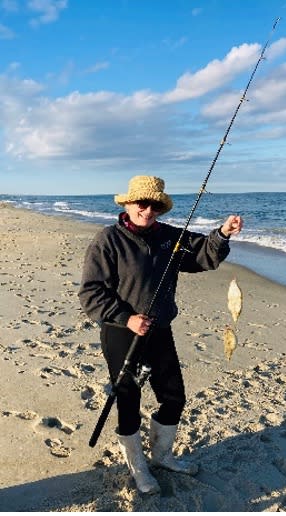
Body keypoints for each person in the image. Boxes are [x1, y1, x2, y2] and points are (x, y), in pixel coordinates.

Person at [78, 175, 243, 494]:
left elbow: (202, 256)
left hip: (160, 330)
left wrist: (223, 234)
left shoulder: (169, 237)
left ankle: (162, 455)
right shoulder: (108, 240)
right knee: (127, 399)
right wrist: (127, 318)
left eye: (154, 204)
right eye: (142, 203)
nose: (148, 209)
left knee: (174, 396)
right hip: (121, 333)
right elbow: (91, 292)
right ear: (127, 204)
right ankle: (138, 466)